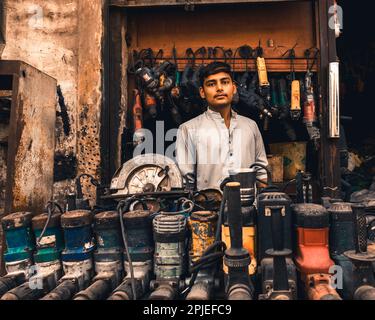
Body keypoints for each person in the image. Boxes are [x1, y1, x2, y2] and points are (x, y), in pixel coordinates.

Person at [176, 61, 268, 190]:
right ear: (202, 92)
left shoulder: (250, 126)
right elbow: (186, 182)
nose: (219, 88)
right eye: (211, 84)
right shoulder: (188, 129)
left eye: (224, 82)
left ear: (234, 88)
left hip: (248, 207)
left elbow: (261, 173)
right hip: (207, 207)